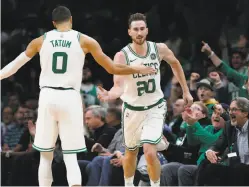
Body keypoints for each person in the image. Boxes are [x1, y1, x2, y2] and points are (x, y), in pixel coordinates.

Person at [0, 6, 155, 187]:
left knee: (45, 154)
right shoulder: (84, 40)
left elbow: (15, 65)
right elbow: (113, 68)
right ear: (71, 20)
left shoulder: (41, 40)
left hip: (48, 96)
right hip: (70, 97)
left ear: (53, 23)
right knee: (70, 154)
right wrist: (138, 68)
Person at [97, 13, 193, 187]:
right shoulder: (122, 56)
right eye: (136, 29)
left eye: (142, 29)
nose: (139, 32)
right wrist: (109, 95)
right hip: (132, 109)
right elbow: (118, 86)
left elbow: (175, 63)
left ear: (147, 30)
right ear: (129, 32)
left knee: (149, 151)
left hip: (154, 107)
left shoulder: (159, 49)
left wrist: (186, 91)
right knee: (131, 152)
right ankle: (128, 184)